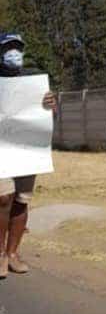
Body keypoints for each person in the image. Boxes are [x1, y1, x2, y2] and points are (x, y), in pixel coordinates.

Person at [0, 33, 57, 278]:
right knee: (3, 199)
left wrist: (51, 107)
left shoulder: (33, 81)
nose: (14, 53)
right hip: (1, 150)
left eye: (17, 48)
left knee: (22, 200)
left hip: (26, 150)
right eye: (8, 48)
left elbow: (47, 119)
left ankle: (12, 253)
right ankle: (0, 254)